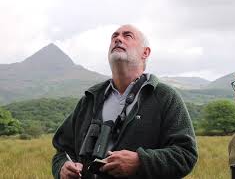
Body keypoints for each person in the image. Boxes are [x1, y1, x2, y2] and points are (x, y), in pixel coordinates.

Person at [52, 24, 198, 179]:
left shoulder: (165, 97)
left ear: (145, 52)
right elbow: (62, 151)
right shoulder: (90, 99)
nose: (118, 39)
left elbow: (186, 154)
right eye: (114, 36)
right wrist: (62, 167)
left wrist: (140, 162)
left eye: (127, 36)